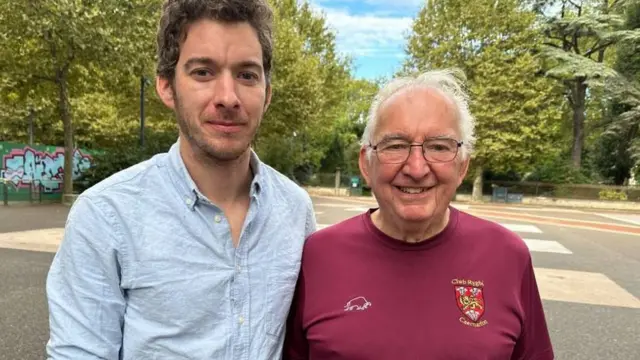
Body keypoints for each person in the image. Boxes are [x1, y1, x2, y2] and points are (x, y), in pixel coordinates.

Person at [45, 0, 316, 359]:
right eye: (203, 72)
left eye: (247, 74)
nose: (228, 97)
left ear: (267, 94)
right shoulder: (106, 216)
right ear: (166, 87)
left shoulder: (296, 212)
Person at [283, 69, 554, 360]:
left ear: (462, 166)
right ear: (366, 164)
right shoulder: (319, 254)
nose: (416, 168)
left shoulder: (507, 256)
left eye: (439, 147)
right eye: (396, 146)